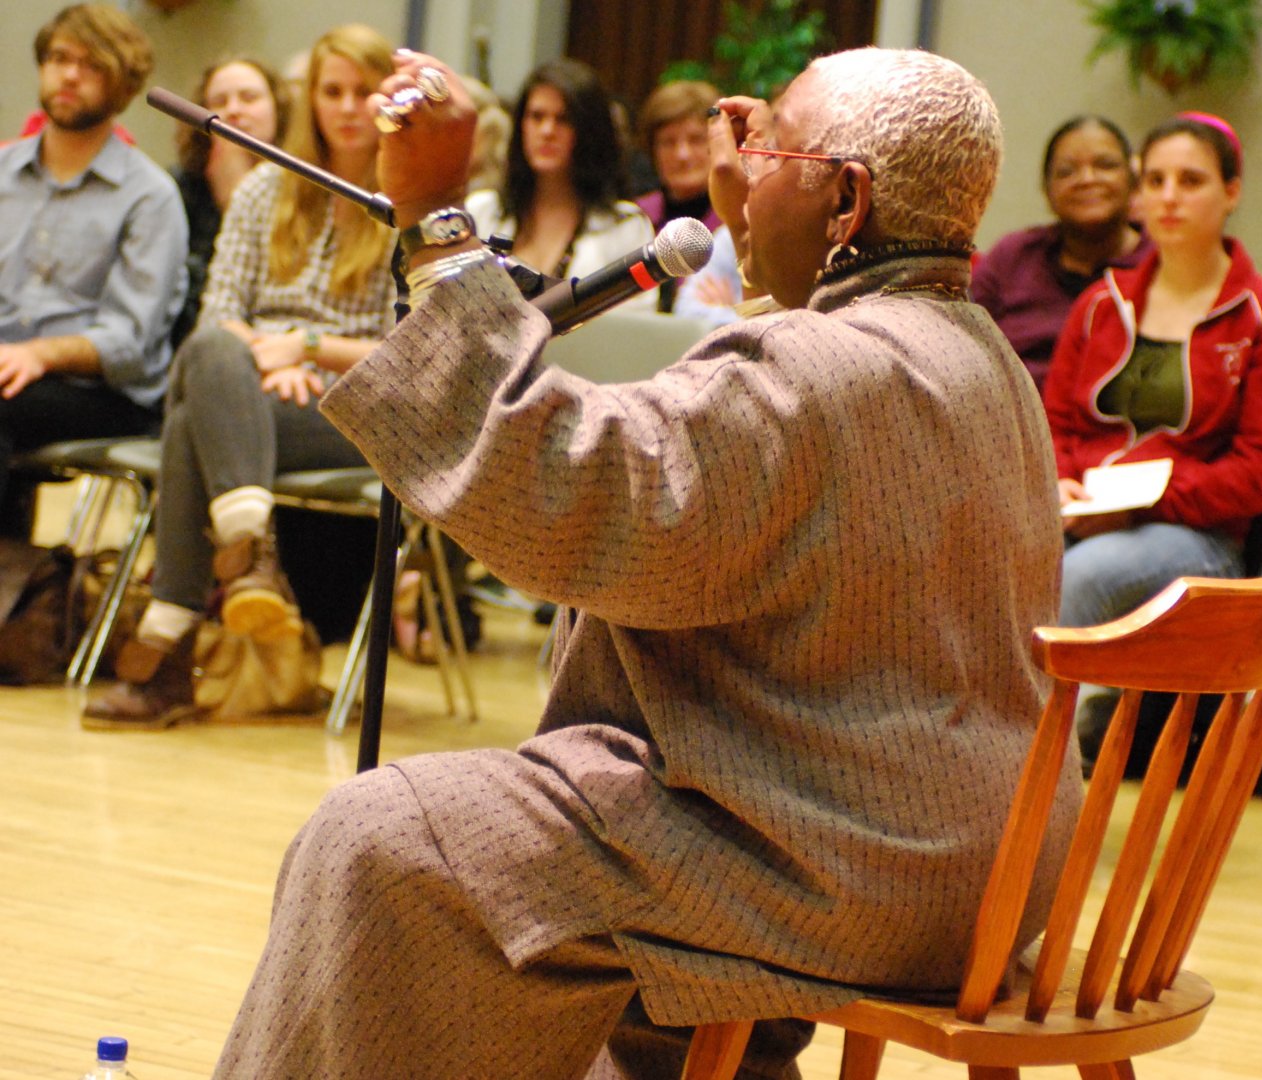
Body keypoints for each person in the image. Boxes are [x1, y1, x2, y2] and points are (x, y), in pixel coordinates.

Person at [212, 45, 1081, 1079]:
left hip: (841, 865)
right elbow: (791, 422)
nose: (740, 178)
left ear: (845, 200)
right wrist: (763, 214)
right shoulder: (977, 356)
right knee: (571, 849)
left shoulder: (812, 376)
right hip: (978, 867)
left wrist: (439, 225)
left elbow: (562, 493)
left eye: (769, 154)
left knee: (381, 838)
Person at [81, 23, 398, 729]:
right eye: (332, 91)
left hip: (358, 408)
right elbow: (219, 313)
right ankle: (249, 556)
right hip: (252, 389)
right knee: (207, 365)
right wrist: (268, 354)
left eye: (362, 91)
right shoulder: (264, 189)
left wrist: (307, 348)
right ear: (309, 100)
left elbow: (411, 350)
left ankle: (171, 652)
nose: (347, 107)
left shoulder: (411, 204)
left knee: (198, 409)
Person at [1046, 113, 1262, 632]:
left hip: (1197, 538)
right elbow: (1053, 424)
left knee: (1077, 577)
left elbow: (1256, 475)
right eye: (1156, 181)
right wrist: (1058, 482)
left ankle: (1063, 716)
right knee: (982, 556)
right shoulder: (1101, 303)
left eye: (1191, 181)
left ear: (1231, 192)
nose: (1169, 197)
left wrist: (1142, 504)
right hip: (1081, 513)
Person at [0, 3, 187, 537]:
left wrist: (37, 354)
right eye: (59, 58)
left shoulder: (149, 196)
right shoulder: (3, 173)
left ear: (122, 84)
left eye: (91, 64)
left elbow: (129, 342)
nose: (69, 74)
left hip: (103, 396)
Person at [972, 115, 1150, 390]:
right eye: (1067, 171)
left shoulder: (1162, 262)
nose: (1087, 179)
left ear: (1134, 181)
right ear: (1047, 190)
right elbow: (960, 341)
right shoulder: (1012, 258)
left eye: (1105, 165)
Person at [465, 58, 653, 287]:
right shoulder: (481, 211)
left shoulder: (625, 226)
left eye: (563, 119)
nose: (547, 131)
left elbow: (636, 319)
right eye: (536, 116)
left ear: (590, 130)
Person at [169, 56, 290, 348]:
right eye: (220, 101)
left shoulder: (308, 188)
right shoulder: (178, 189)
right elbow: (184, 307)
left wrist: (240, 197)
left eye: (249, 98)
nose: (234, 110)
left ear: (279, 110)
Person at [635, 80, 721, 312]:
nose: (682, 154)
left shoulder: (736, 223)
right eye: (668, 142)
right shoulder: (632, 218)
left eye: (695, 139)